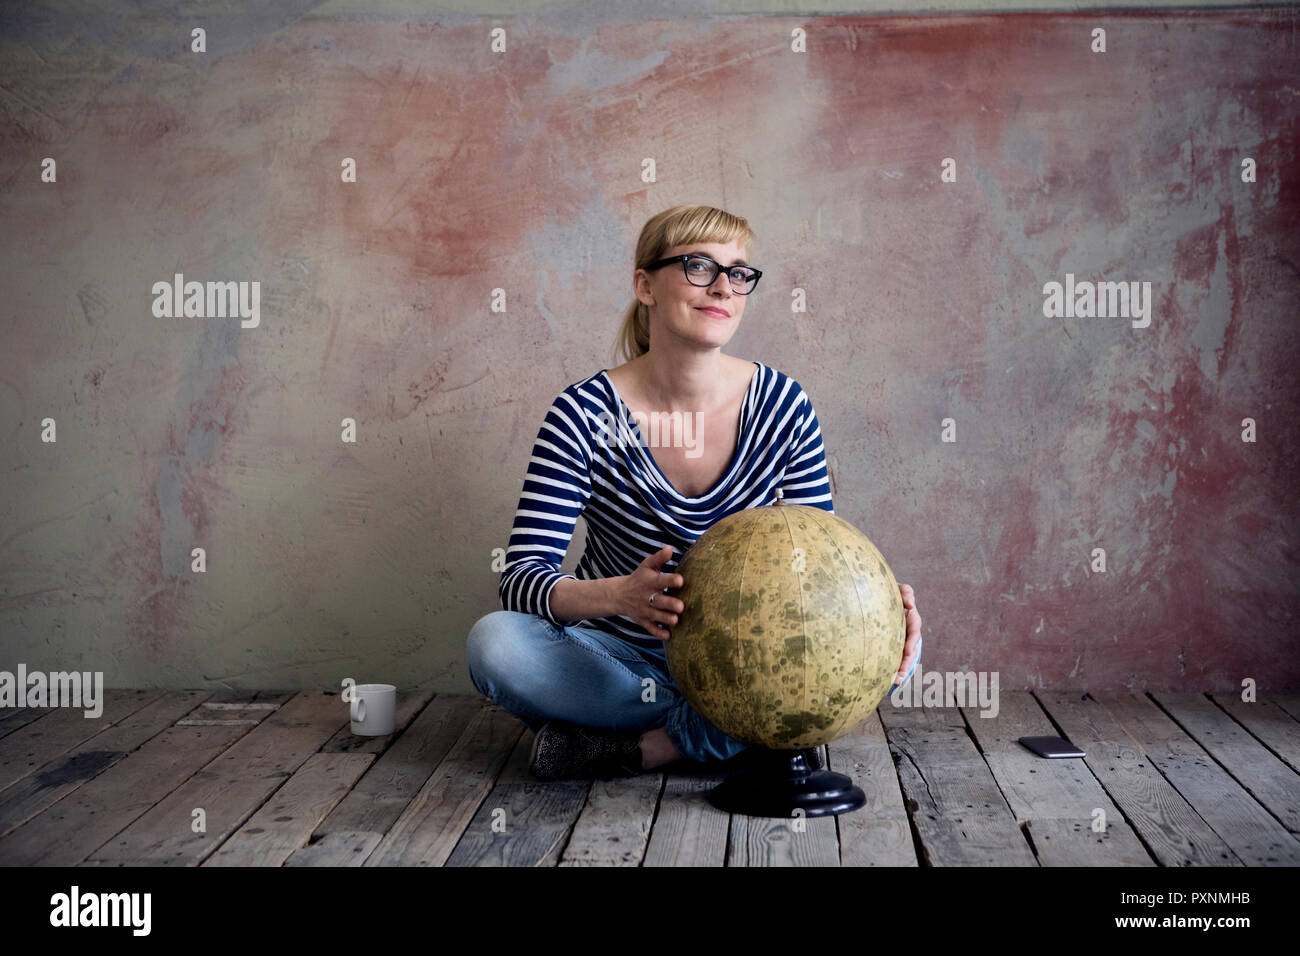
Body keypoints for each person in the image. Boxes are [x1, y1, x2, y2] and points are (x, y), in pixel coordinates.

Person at [466, 204, 923, 781]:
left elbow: (818, 571)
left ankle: (655, 748)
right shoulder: (581, 414)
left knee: (898, 644)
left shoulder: (784, 406)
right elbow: (520, 578)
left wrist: (873, 613)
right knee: (496, 645)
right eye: (699, 266)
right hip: (620, 662)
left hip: (749, 660)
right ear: (645, 285)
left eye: (738, 272)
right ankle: (732, 734)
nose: (724, 287)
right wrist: (618, 597)